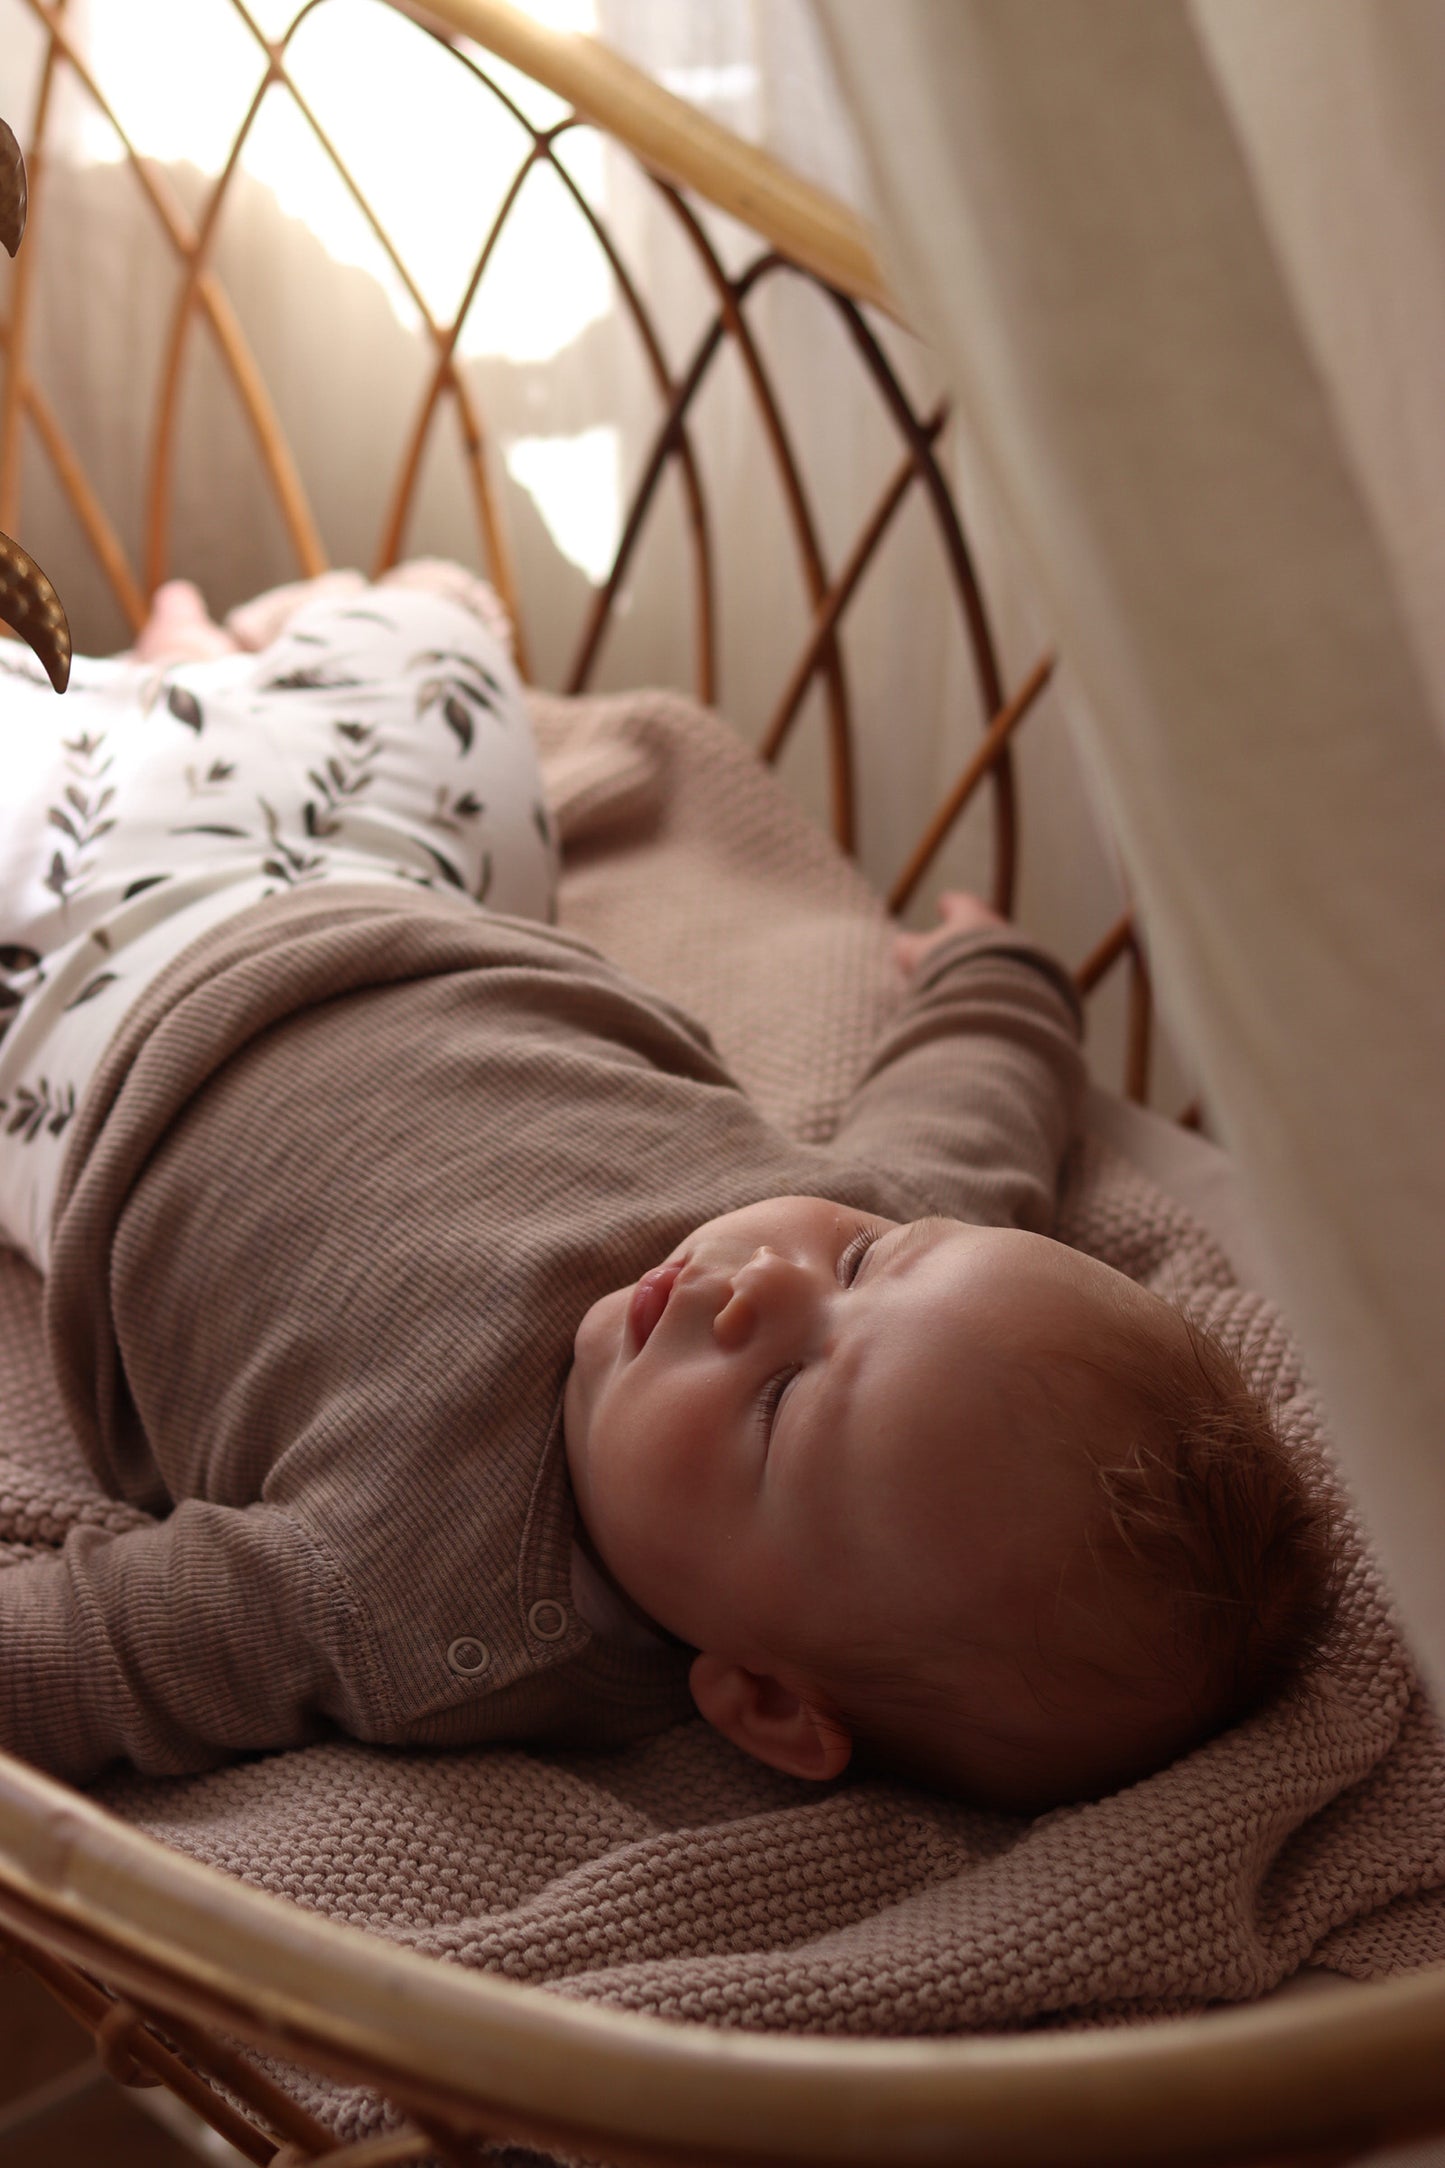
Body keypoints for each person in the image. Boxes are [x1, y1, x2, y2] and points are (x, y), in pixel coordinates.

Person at [0, 570, 1338, 1810]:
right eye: (869, 1259)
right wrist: (1000, 977)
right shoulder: (887, 1230)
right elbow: (973, 1110)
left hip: (79, 1046)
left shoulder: (408, 1602)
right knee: (445, 674)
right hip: (389, 897)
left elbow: (94, 1652)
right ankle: (194, 679)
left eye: (779, 1404)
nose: (764, 1283)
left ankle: (145, 694)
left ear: (758, 1700)